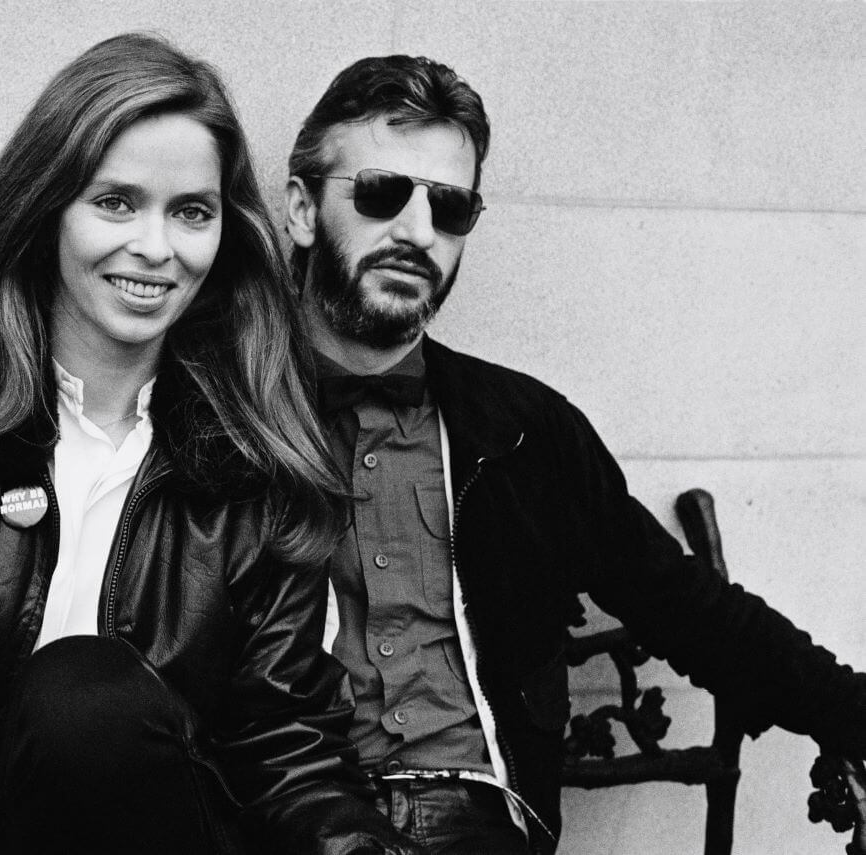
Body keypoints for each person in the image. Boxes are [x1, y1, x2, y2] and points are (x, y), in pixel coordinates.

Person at [0, 33, 416, 855]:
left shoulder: (256, 453)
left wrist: (355, 844)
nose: (156, 247)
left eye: (191, 212)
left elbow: (285, 741)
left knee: (87, 698)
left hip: (161, 829)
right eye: (115, 202)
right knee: (78, 691)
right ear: (47, 209)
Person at [284, 54, 866, 854]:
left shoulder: (523, 431)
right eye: (382, 193)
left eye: (449, 208)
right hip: (284, 809)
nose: (417, 231)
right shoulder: (220, 415)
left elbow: (689, 606)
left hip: (476, 817)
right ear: (302, 209)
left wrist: (852, 710)